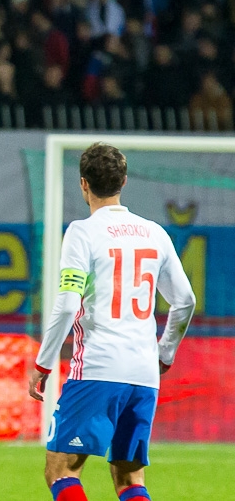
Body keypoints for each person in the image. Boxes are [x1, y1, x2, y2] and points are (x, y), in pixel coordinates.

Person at [29, 143, 195, 501]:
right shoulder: (155, 233)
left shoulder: (82, 232)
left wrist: (43, 363)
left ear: (83, 184)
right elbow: (185, 301)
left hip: (98, 367)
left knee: (61, 469)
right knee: (130, 477)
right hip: (144, 374)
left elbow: (68, 304)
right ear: (123, 181)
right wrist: (164, 354)